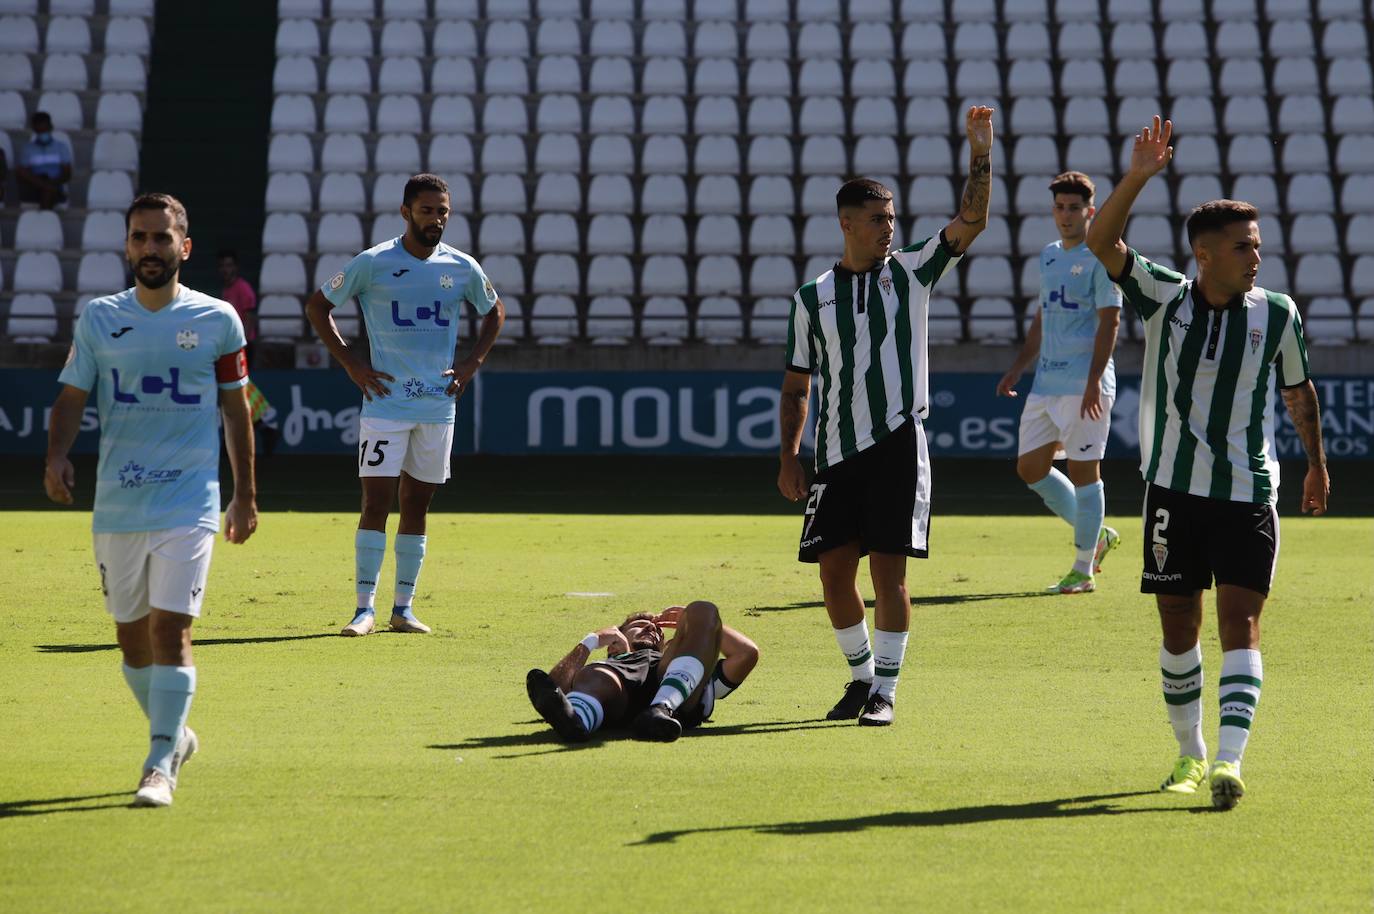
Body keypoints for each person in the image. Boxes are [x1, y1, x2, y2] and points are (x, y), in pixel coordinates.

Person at [1086, 116, 1329, 809]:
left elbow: (1298, 389)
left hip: (1249, 492)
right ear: (1203, 254)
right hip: (1172, 493)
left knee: (1241, 625)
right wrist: (1138, 176)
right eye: (1242, 247)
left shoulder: (1276, 314)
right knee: (1177, 625)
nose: (1255, 256)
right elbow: (1102, 242)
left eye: (1256, 245)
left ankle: (1228, 760)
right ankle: (1188, 754)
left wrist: (1316, 462)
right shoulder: (1163, 298)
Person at [776, 106, 995, 727]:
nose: (889, 230)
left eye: (893, 219)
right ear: (846, 224)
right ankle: (861, 678)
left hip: (898, 443)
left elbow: (971, 220)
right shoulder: (811, 299)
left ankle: (887, 692)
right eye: (877, 220)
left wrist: (981, 152)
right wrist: (789, 457)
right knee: (833, 574)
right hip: (834, 452)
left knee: (889, 577)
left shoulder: (912, 272)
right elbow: (797, 385)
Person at [43, 192, 258, 808]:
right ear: (128, 246)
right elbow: (70, 398)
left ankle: (159, 762)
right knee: (131, 640)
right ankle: (177, 732)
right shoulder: (99, 318)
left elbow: (236, 409)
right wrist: (56, 455)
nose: (150, 249)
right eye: (139, 238)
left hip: (189, 501)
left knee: (171, 630)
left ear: (183, 247)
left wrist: (244, 494)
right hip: (117, 503)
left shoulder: (218, 319)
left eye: (161, 238)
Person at [305, 173, 505, 637]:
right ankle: (363, 608)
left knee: (417, 504)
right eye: (427, 210)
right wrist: (352, 363)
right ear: (406, 212)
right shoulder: (373, 263)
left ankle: (403, 608)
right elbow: (318, 305)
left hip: (437, 407)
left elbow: (495, 310)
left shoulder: (461, 266)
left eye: (443, 212)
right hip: (385, 405)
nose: (436, 219)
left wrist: (473, 361)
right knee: (375, 503)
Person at [995, 171, 1123, 594]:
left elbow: (1111, 321)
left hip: (1084, 384)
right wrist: (1018, 367)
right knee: (1030, 467)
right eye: (1060, 207)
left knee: (1086, 472)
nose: (1066, 215)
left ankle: (1083, 570)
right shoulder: (1049, 255)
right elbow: (1042, 316)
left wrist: (1093, 382)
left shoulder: (1102, 256)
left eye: (1074, 208)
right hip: (1046, 382)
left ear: (1090, 211)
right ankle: (1098, 534)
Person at [526, 602, 759, 743]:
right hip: (617, 691)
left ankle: (660, 708)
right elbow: (555, 687)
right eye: (640, 622)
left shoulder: (686, 663)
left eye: (658, 628)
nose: (652, 627)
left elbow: (746, 654)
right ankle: (576, 722)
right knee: (597, 674)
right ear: (617, 637)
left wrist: (690, 623)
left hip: (677, 695)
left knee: (703, 609)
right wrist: (590, 641)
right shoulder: (611, 663)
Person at [16, 111, 73, 209]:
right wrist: (42, 183)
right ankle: (46, 218)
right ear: (34, 130)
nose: (42, 134)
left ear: (51, 127)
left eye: (45, 130)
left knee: (48, 190)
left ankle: (43, 217)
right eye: (39, 131)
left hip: (55, 183)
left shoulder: (61, 147)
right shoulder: (27, 149)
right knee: (21, 170)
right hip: (34, 186)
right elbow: (22, 174)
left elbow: (67, 174)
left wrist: (51, 182)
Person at [218, 250, 258, 367]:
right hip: (231, 345)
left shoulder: (243, 288)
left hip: (243, 346)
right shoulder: (226, 289)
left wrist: (242, 345)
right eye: (222, 266)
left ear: (235, 268)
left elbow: (250, 318)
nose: (226, 270)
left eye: (229, 266)